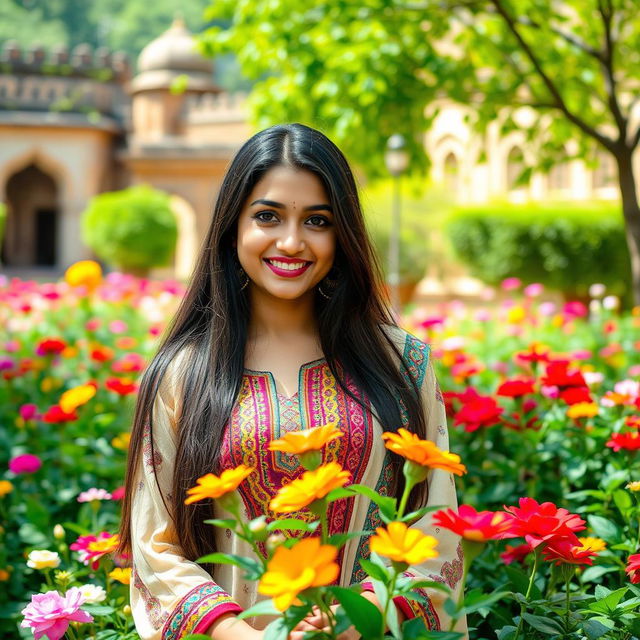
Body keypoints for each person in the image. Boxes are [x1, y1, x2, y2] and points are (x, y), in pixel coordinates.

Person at [118, 123, 465, 640]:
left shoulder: (403, 364)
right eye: (267, 216)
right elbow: (155, 547)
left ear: (342, 232)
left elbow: (438, 533)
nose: (291, 242)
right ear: (231, 225)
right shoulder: (183, 375)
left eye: (317, 220)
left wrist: (354, 622)